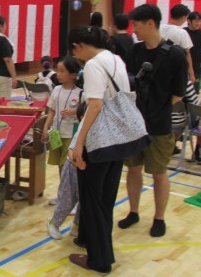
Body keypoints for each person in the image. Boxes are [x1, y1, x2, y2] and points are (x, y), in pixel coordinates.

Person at [66, 25, 130, 273]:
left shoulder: (93, 65)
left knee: (92, 198)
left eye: (74, 51)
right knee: (105, 198)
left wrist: (79, 143)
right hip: (117, 137)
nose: (75, 57)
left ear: (79, 46)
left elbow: (94, 106)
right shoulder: (115, 59)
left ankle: (99, 259)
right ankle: (93, 243)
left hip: (98, 139)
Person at [120, 4, 187, 238]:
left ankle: (159, 218)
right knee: (133, 169)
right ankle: (133, 211)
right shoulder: (134, 51)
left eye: (136, 25)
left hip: (159, 125)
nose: (134, 29)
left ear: (150, 23)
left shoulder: (176, 55)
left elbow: (178, 93)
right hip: (133, 123)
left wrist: (158, 108)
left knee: (159, 172)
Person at [43, 56, 82, 204]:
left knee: (69, 167)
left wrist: (74, 111)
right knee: (60, 166)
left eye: (62, 71)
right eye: (57, 71)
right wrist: (46, 128)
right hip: (55, 134)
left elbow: (86, 111)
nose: (58, 74)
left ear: (73, 74)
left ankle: (74, 199)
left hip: (70, 134)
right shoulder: (56, 90)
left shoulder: (80, 93)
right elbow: (51, 111)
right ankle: (64, 196)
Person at [159, 4, 195, 83]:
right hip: (174, 69)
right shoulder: (182, 32)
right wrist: (191, 73)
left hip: (157, 66)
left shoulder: (158, 28)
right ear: (184, 17)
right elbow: (187, 54)